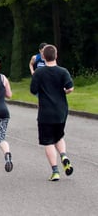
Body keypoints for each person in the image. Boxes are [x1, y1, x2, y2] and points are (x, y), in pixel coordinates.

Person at [30, 44, 74, 181]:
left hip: (45, 112)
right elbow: (70, 88)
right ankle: (64, 156)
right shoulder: (63, 71)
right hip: (61, 111)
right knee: (59, 136)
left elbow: (33, 90)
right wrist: (64, 91)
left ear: (43, 56)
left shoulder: (39, 73)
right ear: (56, 56)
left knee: (48, 141)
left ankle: (55, 171)